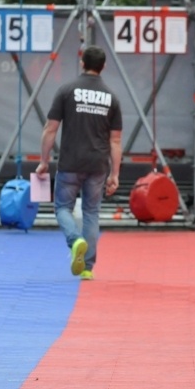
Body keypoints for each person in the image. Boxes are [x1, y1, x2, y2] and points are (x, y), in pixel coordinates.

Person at [35, 45, 123, 281]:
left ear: (82, 63)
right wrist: (115, 174)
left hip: (70, 163)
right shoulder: (112, 98)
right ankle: (87, 268)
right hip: (98, 165)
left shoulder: (66, 91)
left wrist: (44, 161)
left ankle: (75, 241)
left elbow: (50, 129)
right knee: (91, 212)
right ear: (103, 67)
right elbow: (115, 141)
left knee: (62, 208)